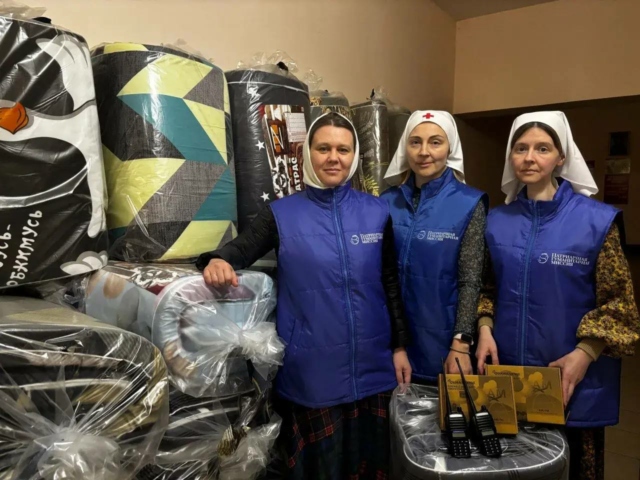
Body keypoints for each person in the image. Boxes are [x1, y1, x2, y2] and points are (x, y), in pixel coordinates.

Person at [196, 112, 412, 480]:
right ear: (307, 154)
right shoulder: (281, 214)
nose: (334, 158)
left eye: (343, 149)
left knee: (371, 468)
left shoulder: (377, 212)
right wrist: (216, 260)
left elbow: (390, 282)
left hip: (373, 368)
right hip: (312, 373)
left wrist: (399, 346)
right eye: (324, 148)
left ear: (354, 155)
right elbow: (239, 249)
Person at [475, 111, 640, 480]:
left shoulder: (596, 222)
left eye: (542, 148)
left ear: (561, 157)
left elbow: (620, 306)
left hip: (571, 379)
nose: (529, 158)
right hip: (509, 377)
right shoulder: (496, 222)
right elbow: (487, 288)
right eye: (521, 148)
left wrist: (585, 354)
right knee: (511, 469)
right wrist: (484, 327)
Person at [382, 110, 488, 381]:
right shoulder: (386, 201)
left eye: (435, 142)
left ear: (450, 148)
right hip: (390, 342)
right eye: (415, 142)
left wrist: (461, 343)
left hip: (442, 342)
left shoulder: (469, 203)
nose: (424, 152)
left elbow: (470, 280)